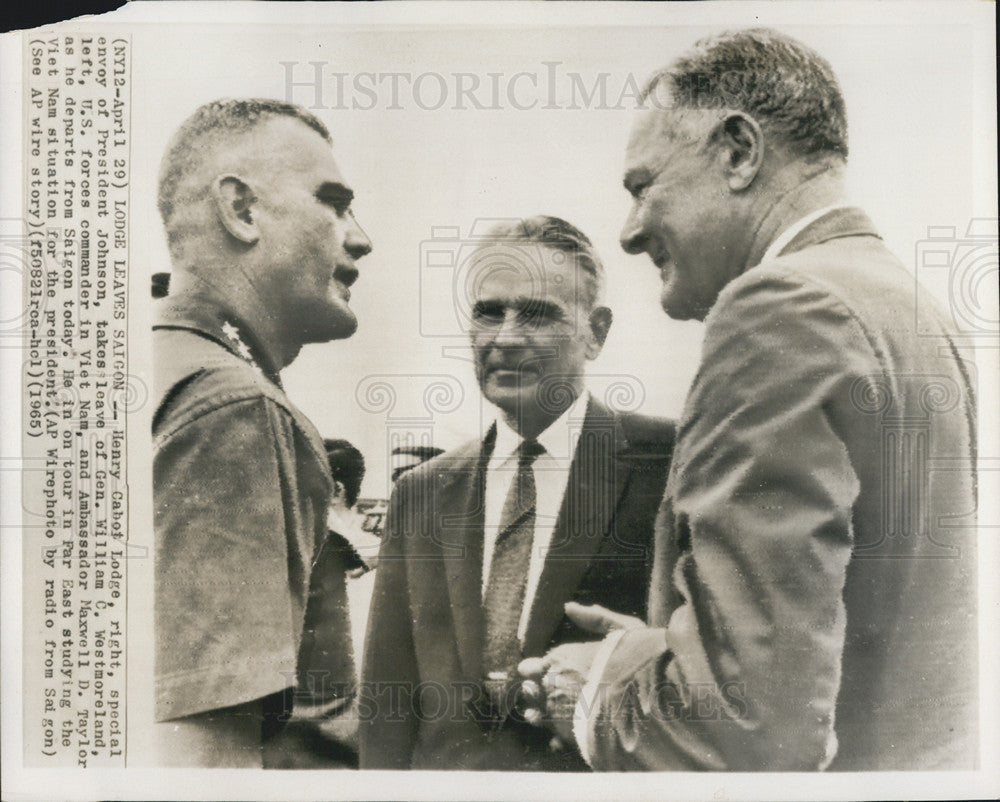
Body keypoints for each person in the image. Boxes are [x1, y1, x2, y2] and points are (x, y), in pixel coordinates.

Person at [518, 28, 978, 771]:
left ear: (738, 151)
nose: (630, 233)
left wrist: (599, 689)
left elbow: (744, 725)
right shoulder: (914, 310)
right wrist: (660, 652)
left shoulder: (777, 307)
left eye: (643, 187)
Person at [359, 216, 675, 770]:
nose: (504, 338)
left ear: (595, 332)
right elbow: (387, 707)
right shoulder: (422, 493)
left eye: (536, 314)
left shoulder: (667, 462)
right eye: (488, 312)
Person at [152, 98, 373, 767]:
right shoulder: (236, 409)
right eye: (333, 202)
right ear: (241, 211)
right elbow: (206, 762)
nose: (359, 236)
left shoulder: (142, 366)